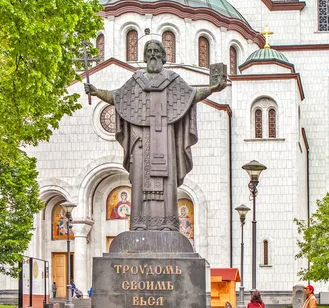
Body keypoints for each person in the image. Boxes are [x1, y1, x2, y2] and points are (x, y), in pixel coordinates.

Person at [85, 39, 225, 232]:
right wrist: (96, 91)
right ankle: (139, 224)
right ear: (144, 56)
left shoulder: (173, 80)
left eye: (156, 51)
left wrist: (212, 89)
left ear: (163, 56)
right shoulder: (136, 80)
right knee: (139, 178)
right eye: (149, 51)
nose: (152, 54)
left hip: (166, 141)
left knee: (167, 180)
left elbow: (191, 95)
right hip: (139, 141)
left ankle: (168, 224)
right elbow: (118, 97)